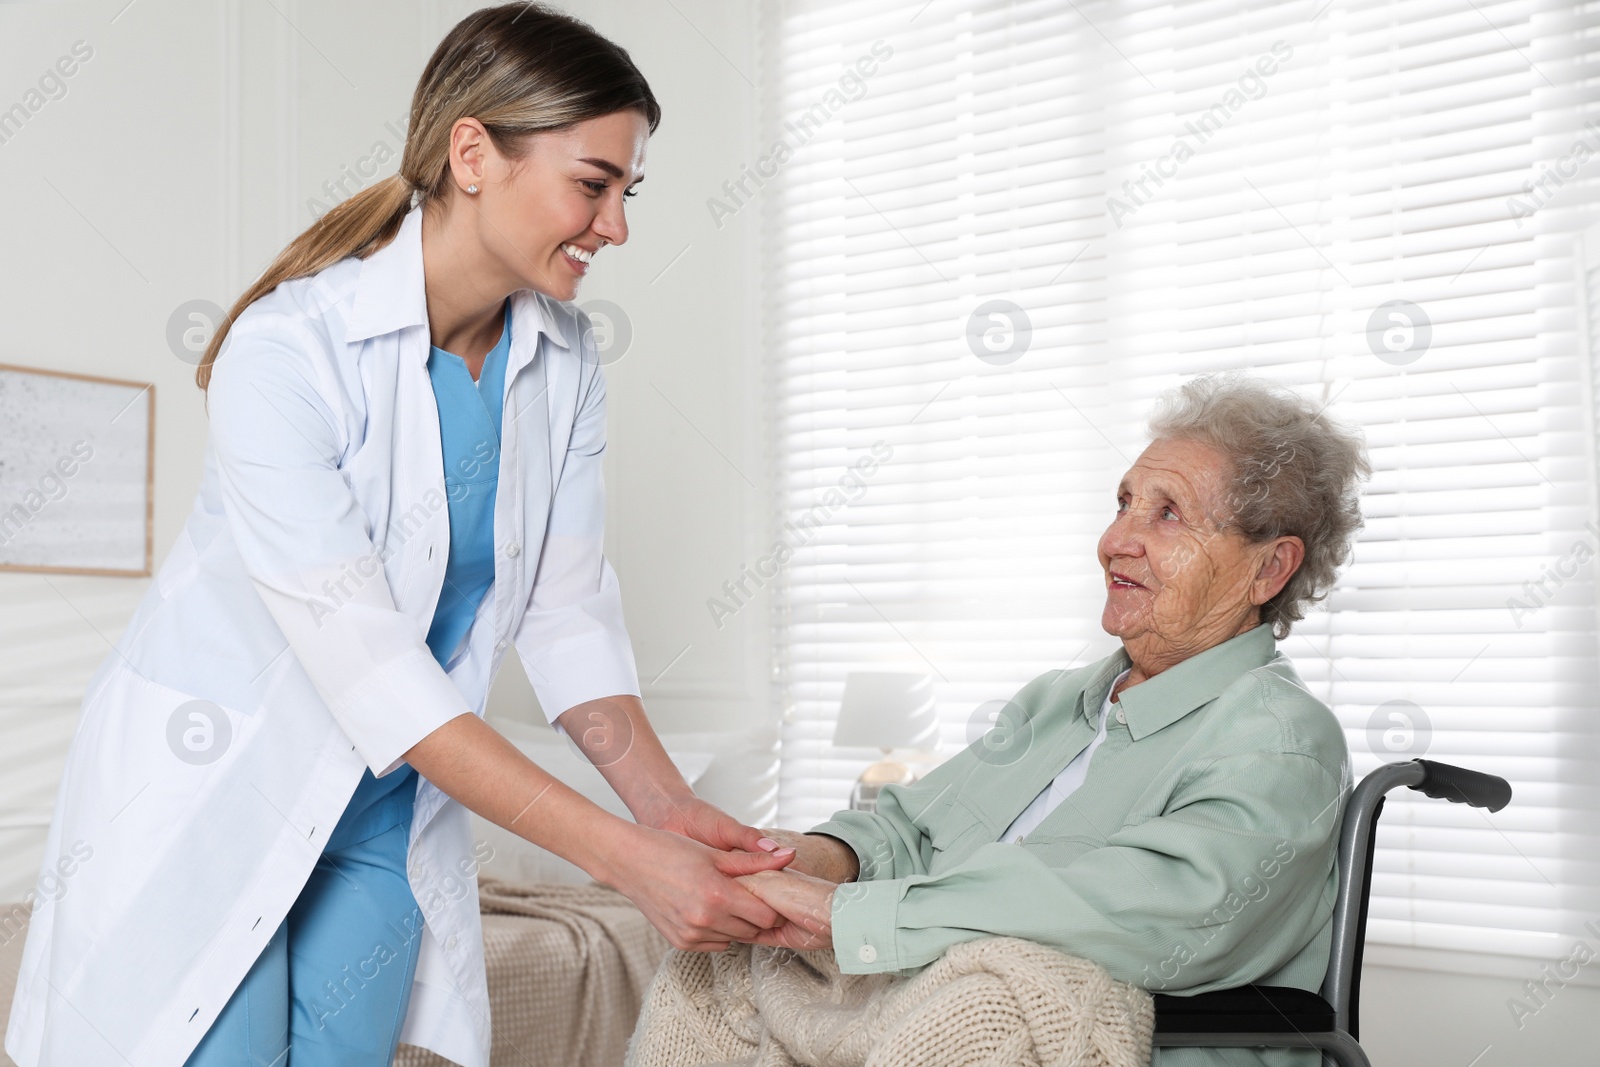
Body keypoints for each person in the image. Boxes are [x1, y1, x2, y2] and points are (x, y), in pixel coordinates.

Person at [3, 7, 794, 1067]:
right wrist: (624, 861)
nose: (615, 227)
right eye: (593, 184)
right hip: (219, 791)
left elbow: (564, 613)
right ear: (473, 153)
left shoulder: (563, 362)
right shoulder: (286, 352)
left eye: (625, 193)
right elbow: (370, 663)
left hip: (380, 813)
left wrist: (669, 811)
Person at [742, 374, 1371, 1067]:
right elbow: (910, 829)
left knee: (976, 1010)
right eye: (1125, 503)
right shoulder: (1056, 701)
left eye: (1167, 515)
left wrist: (847, 916)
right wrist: (790, 862)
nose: (1113, 541)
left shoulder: (1279, 740)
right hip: (934, 1005)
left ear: (1268, 568)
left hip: (1120, 1042)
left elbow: (1141, 915)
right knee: (720, 960)